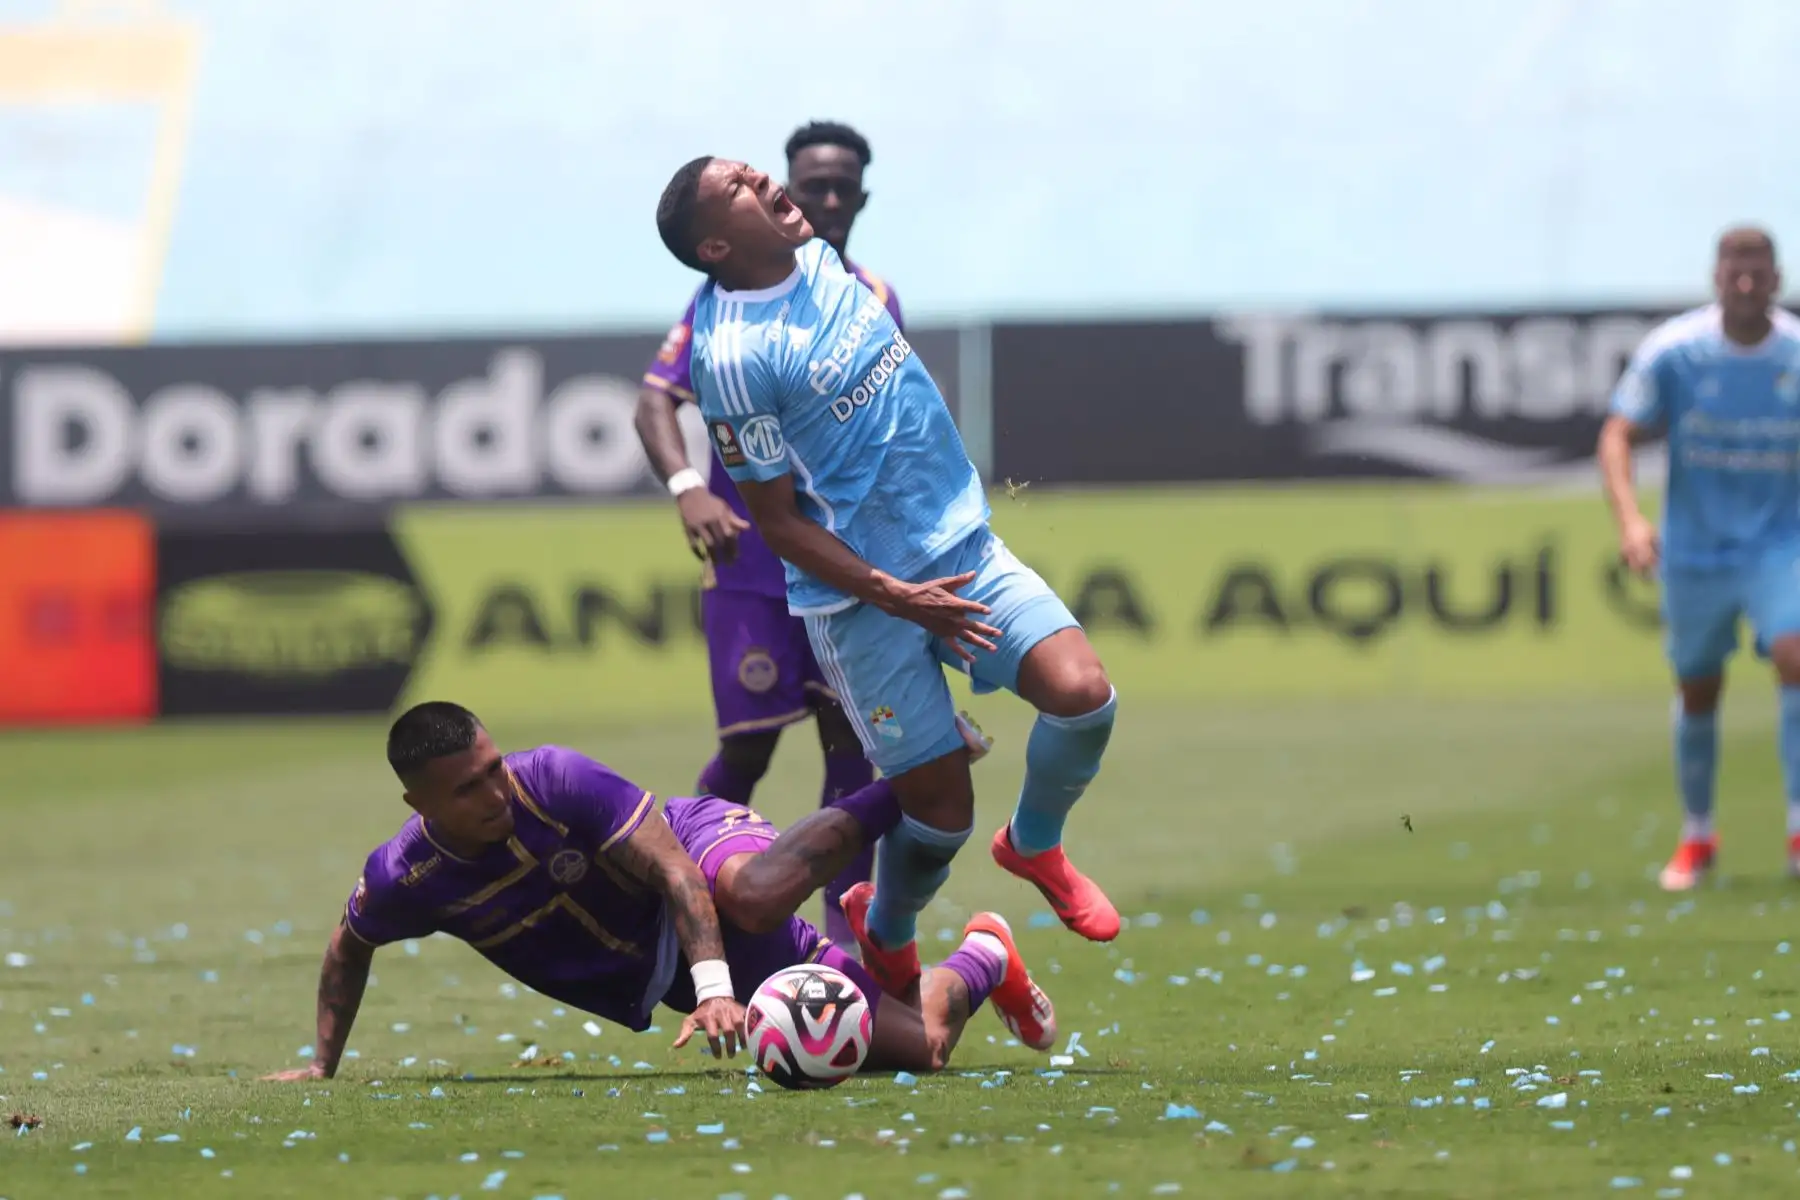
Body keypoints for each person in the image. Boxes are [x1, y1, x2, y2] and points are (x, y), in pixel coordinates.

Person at [651, 155, 1121, 1002]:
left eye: (751, 169)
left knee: (1084, 695)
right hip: (861, 608)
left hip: (959, 548)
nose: (763, 180)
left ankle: (1034, 844)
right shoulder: (732, 357)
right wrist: (899, 599)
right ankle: (890, 930)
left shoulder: (820, 260)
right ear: (716, 246)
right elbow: (778, 522)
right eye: (739, 187)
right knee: (940, 815)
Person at [261, 702, 1055, 1082]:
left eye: (494, 768)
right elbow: (347, 949)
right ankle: (986, 953)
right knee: (927, 1050)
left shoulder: (554, 779)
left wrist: (714, 991)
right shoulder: (405, 877)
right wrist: (323, 1065)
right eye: (469, 788)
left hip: (696, 851)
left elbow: (676, 872)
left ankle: (922, 770)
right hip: (673, 968)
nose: (497, 793)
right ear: (420, 804)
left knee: (750, 896)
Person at [634, 122, 905, 949]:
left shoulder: (874, 296)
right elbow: (653, 400)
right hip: (752, 562)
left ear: (863, 197)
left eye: (843, 186)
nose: (827, 198)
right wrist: (688, 489)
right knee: (747, 749)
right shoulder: (724, 297)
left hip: (843, 565)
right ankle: (687, 899)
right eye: (812, 183)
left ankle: (845, 941)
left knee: (851, 746)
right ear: (785, 184)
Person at [1599, 225, 1800, 891]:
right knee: (1698, 688)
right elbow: (1618, 433)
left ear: (1776, 281)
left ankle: (1798, 830)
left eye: (1757, 273)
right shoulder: (1676, 352)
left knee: (1795, 655)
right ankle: (1697, 835)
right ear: (1716, 278)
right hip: (1695, 550)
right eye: (1734, 272)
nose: (1745, 284)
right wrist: (1631, 520)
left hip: (1780, 545)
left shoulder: (1795, 353)